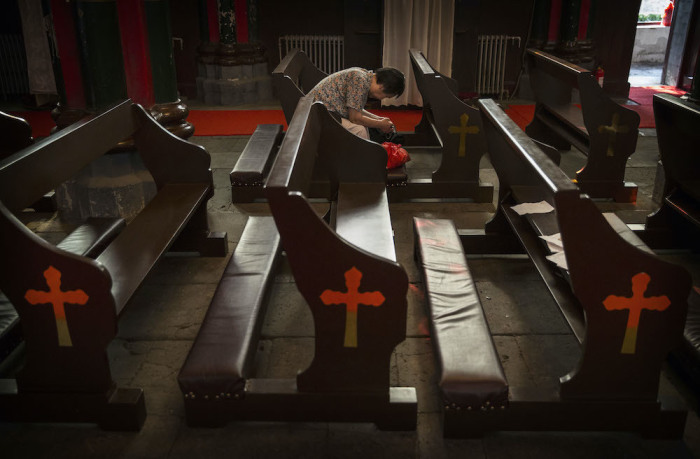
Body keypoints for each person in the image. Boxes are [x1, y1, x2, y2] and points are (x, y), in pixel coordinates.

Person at [307, 66, 405, 140]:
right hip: (316, 115)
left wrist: (379, 119)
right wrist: (380, 124)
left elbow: (356, 109)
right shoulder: (360, 81)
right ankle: (361, 163)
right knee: (359, 130)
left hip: (321, 111)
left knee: (363, 126)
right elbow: (355, 118)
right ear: (382, 87)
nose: (383, 99)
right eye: (387, 96)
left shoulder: (364, 76)